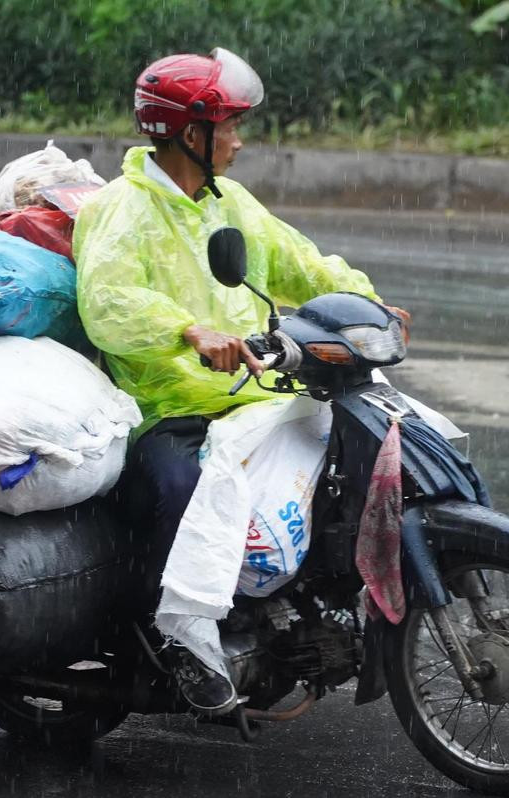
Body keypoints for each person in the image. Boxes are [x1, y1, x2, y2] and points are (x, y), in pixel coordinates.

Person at [72, 47, 408, 715]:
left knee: (351, 455)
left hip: (255, 396)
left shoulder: (226, 203)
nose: (238, 140)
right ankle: (180, 638)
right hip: (169, 408)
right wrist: (188, 332)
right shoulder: (122, 210)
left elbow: (300, 263)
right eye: (227, 127)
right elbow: (107, 303)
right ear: (189, 134)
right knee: (181, 484)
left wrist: (368, 302)